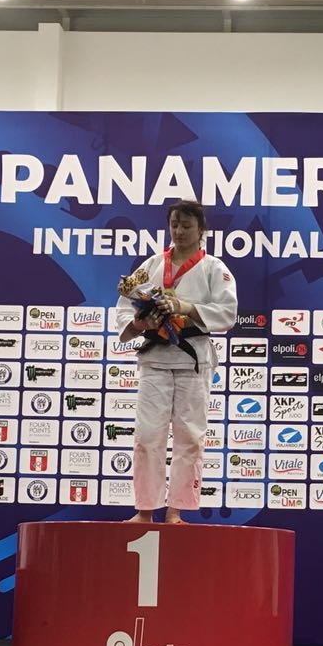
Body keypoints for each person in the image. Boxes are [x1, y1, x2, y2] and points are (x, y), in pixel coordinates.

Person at [115, 201, 238, 524]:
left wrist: (185, 307)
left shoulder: (215, 269)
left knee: (190, 438)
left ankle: (176, 510)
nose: (180, 231)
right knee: (147, 436)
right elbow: (125, 307)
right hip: (155, 358)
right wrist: (142, 323)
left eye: (186, 225)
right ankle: (144, 510)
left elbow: (227, 312)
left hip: (193, 359)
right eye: (174, 225)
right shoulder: (152, 265)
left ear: (202, 230)